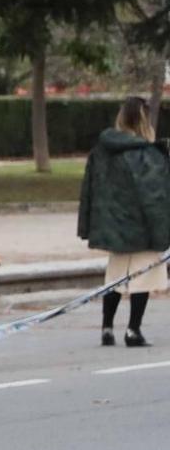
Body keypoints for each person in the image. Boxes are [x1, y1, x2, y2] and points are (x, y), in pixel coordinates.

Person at [79, 95, 170, 348]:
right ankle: (133, 330)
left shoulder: (102, 151)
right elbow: (154, 196)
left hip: (114, 226)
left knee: (115, 278)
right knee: (143, 278)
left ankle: (107, 328)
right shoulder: (146, 154)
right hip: (143, 227)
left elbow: (90, 190)